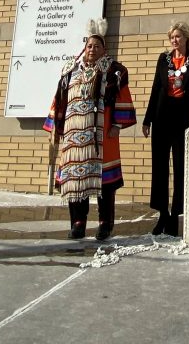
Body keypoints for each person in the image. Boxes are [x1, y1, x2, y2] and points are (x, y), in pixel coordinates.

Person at [44, 18, 136, 241]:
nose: (92, 49)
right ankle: (78, 222)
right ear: (84, 48)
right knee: (75, 179)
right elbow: (60, 98)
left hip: (101, 136)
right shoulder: (71, 71)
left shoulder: (113, 71)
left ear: (104, 49)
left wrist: (116, 124)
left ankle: (105, 223)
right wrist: (55, 126)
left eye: (96, 46)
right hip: (74, 137)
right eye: (89, 46)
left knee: (105, 182)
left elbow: (123, 97)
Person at [142, 22, 189, 236]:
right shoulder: (163, 59)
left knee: (180, 166)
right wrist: (147, 120)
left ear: (186, 38)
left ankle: (175, 216)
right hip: (161, 117)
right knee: (160, 166)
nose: (174, 40)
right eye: (172, 37)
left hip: (183, 119)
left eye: (178, 36)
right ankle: (162, 215)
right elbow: (156, 89)